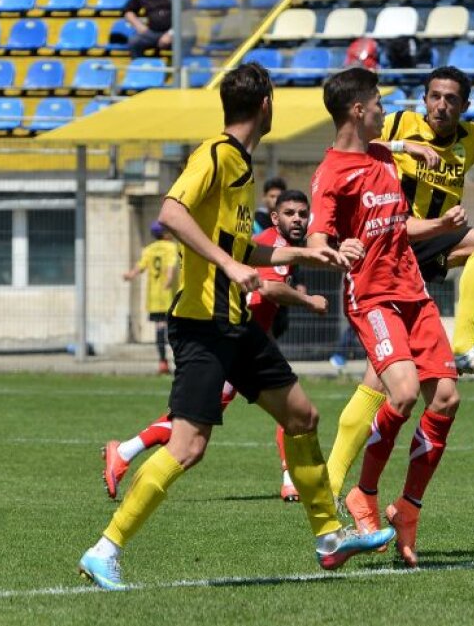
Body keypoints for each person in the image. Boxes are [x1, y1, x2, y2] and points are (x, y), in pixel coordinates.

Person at [76, 63, 394, 591]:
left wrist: (312, 252)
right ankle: (103, 550)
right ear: (264, 105)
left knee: (301, 416)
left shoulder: (241, 166)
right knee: (187, 447)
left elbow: (244, 248)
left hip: (236, 325)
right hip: (203, 327)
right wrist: (228, 268)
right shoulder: (217, 155)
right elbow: (172, 212)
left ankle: (329, 535)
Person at [320, 67, 474, 504]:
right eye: (434, 97)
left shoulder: (473, 137)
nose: (441, 105)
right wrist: (407, 147)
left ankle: (463, 343)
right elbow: (349, 146)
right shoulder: (398, 122)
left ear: (464, 106)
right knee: (378, 382)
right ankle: (331, 480)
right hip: (391, 241)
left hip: (428, 248)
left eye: (450, 99)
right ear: (424, 99)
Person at [308, 66, 468, 568]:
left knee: (446, 398)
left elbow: (398, 223)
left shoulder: (381, 153)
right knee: (400, 392)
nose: (385, 110)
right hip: (372, 297)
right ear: (358, 109)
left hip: (413, 293)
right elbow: (316, 240)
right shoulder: (330, 174)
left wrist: (439, 222)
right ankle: (365, 496)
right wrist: (337, 249)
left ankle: (409, 510)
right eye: (378, 103)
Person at [102, 189, 329, 504]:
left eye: (303, 214)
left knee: (291, 410)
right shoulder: (270, 244)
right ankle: (125, 453)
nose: (298, 220)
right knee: (192, 428)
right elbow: (268, 288)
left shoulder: (280, 245)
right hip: (230, 343)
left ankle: (291, 480)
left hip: (247, 342)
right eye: (290, 213)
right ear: (275, 217)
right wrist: (308, 300)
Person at [123, 221, 179, 375]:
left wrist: (129, 275)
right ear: (166, 233)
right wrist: (168, 280)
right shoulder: (171, 248)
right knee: (176, 330)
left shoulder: (149, 249)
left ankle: (162, 362)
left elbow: (139, 267)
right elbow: (170, 267)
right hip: (170, 297)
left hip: (154, 297)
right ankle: (180, 361)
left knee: (160, 328)